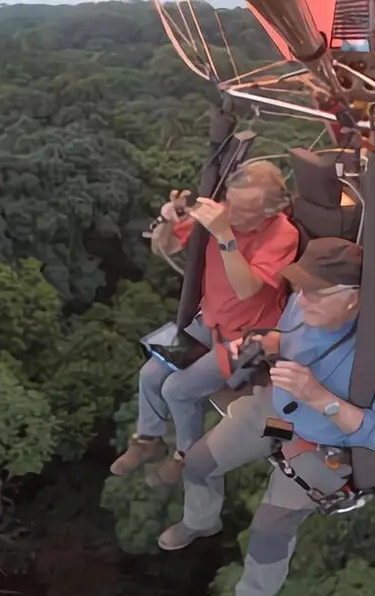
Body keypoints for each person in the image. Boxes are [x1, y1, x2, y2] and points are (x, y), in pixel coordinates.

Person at [157, 237, 375, 596]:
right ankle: (201, 519)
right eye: (301, 287)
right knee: (197, 463)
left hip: (325, 444)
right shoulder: (306, 302)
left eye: (317, 293)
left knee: (270, 526)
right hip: (279, 415)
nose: (304, 299)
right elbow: (293, 337)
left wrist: (319, 397)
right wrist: (270, 342)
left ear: (355, 298)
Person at [111, 161, 301, 486]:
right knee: (150, 375)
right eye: (231, 203)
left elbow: (246, 289)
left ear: (271, 210)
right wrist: (169, 222)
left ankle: (185, 454)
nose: (232, 214)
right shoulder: (221, 213)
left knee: (178, 389)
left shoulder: (282, 234)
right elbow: (166, 247)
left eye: (244, 211)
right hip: (209, 318)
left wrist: (225, 235)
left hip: (247, 336)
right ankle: (148, 438)